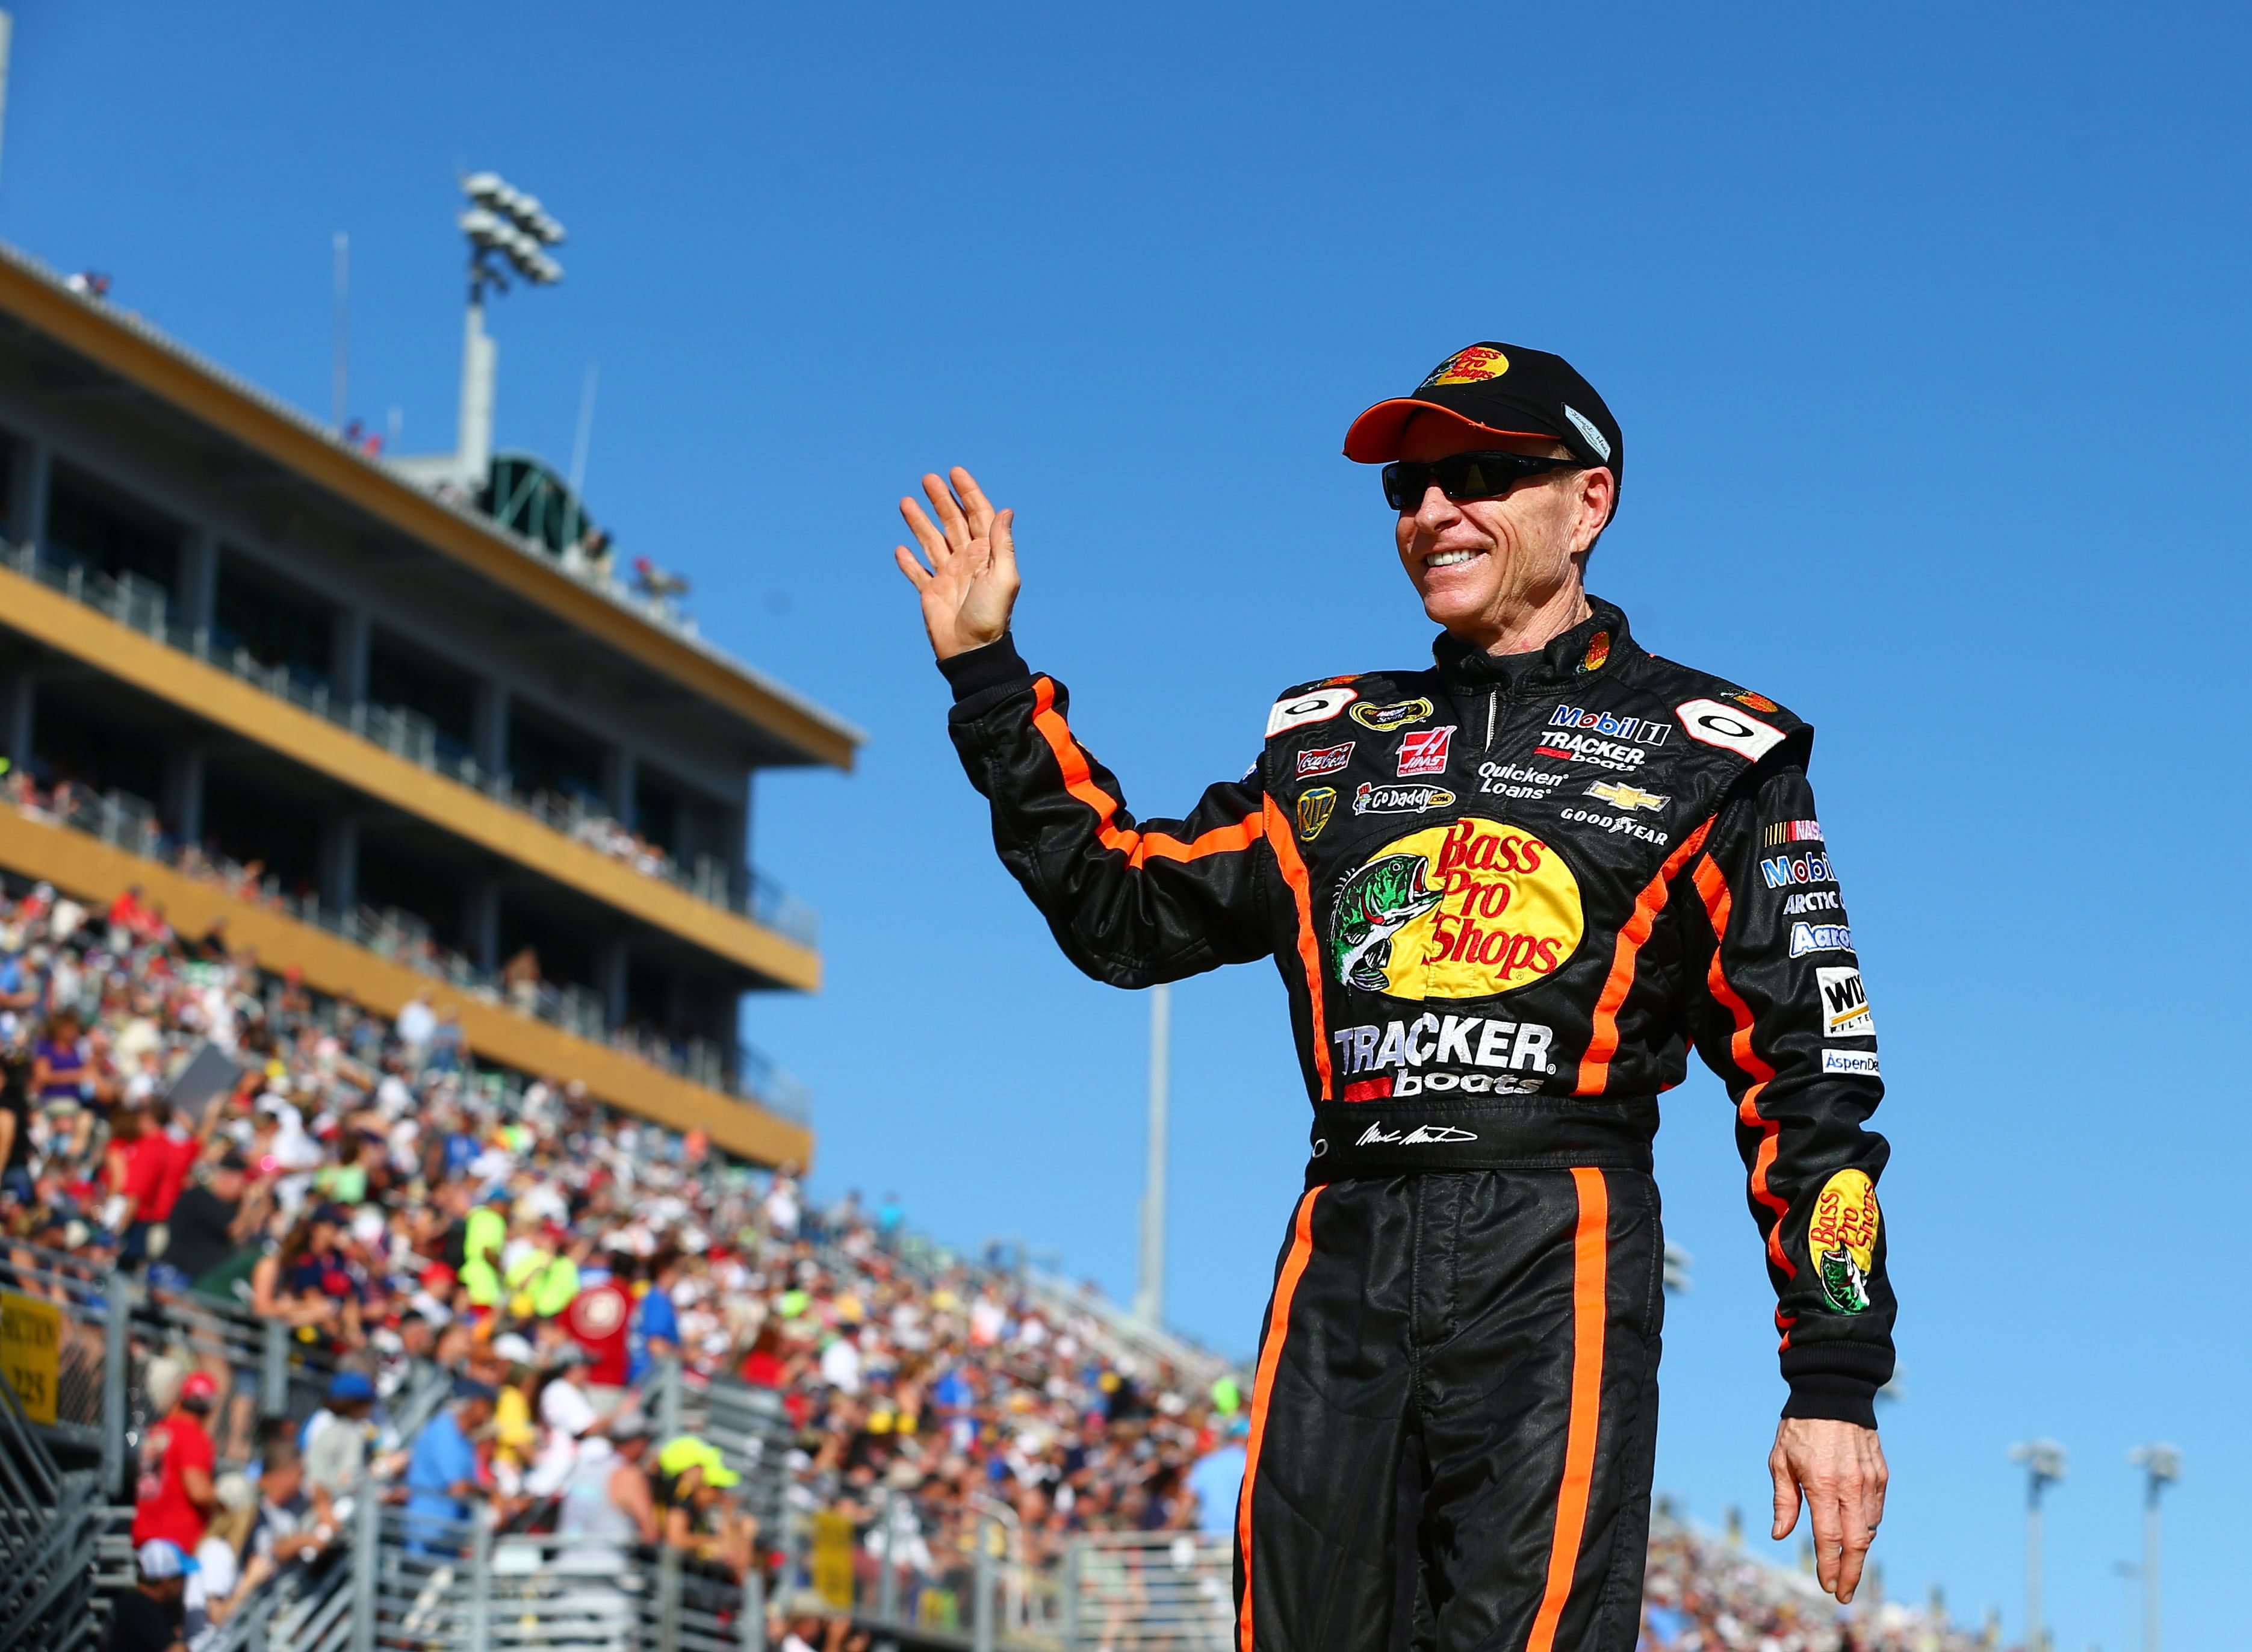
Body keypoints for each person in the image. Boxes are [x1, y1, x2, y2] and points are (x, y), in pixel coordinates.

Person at [895, 341, 1894, 1644]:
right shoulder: (1325, 747)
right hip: (1344, 1241)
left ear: (1587, 502)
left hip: (1559, 1243)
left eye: (1480, 474)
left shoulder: (1713, 751)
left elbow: (1809, 1074)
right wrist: (987, 680)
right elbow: (1122, 909)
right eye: (1408, 487)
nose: (1433, 512)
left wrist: (1832, 1373)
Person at [403, 1377, 494, 1550]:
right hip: (428, 1537)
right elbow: (458, 1488)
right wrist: (487, 1492)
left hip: (447, 1538)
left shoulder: (464, 1438)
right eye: (486, 1405)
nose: (489, 1412)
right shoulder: (444, 1431)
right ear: (475, 1405)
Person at [134, 1370, 219, 1551]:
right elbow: (198, 1491)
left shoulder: (157, 1430)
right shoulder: (194, 1435)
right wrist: (224, 1500)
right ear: (210, 1408)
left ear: (181, 1398)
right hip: (175, 1540)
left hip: (145, 1532)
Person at [108, 1540, 193, 1652]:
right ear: (167, 1583)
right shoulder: (143, 1607)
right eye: (180, 1576)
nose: (184, 1582)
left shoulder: (128, 1601)